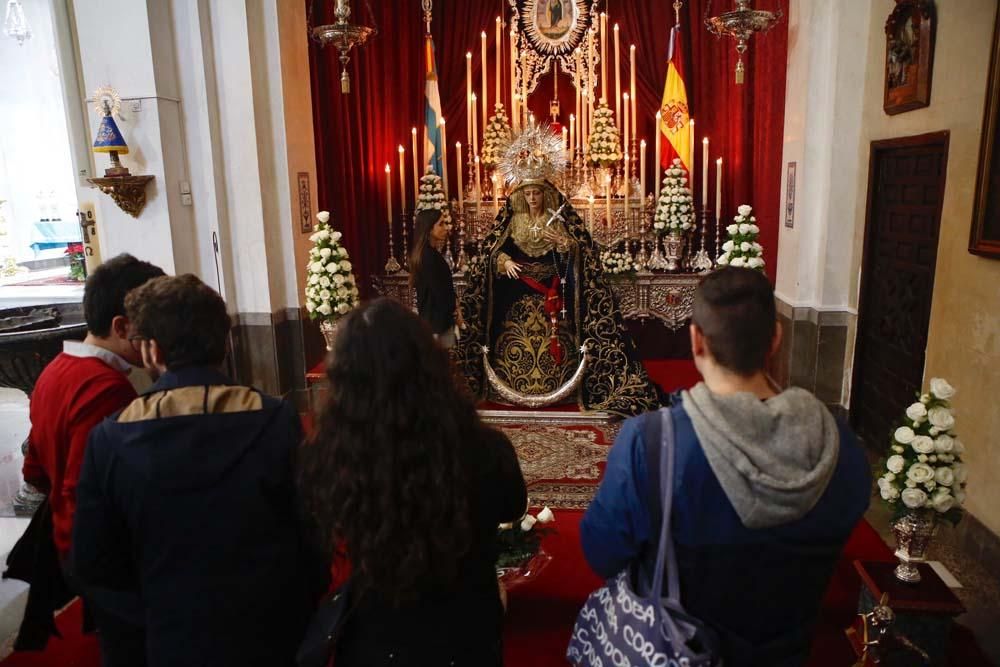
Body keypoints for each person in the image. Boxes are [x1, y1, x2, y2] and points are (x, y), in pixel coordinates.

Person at [579, 267, 871, 666]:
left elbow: (602, 553)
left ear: (696, 340)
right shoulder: (840, 445)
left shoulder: (649, 442)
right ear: (776, 338)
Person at [71, 274, 325, 667]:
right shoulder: (276, 419)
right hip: (270, 633)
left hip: (170, 638)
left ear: (152, 350)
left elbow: (95, 563)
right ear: (224, 342)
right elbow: (312, 534)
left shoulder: (110, 438)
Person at [297, 298, 527, 666]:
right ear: (431, 365)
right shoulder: (486, 447)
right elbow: (513, 506)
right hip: (466, 632)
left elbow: (316, 542)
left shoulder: (329, 455)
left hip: (378, 638)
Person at [453, 129, 658, 415]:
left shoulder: (559, 220)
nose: (533, 197)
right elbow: (491, 251)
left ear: (545, 193)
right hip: (517, 295)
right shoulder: (513, 219)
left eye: (537, 192)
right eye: (528, 193)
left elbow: (580, 251)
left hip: (551, 293)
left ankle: (562, 384)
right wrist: (503, 262)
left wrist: (566, 245)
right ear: (521, 194)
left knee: (558, 336)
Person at [21, 252, 164, 664]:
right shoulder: (105, 388)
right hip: (98, 554)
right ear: (122, 326)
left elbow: (35, 469)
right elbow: (94, 489)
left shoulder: (55, 370)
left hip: (71, 543)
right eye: (151, 325)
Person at [409, 207, 461, 347]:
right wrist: (456, 312)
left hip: (436, 324)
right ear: (429, 229)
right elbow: (441, 294)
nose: (446, 227)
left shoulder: (429, 254)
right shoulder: (429, 257)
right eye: (441, 224)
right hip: (437, 327)